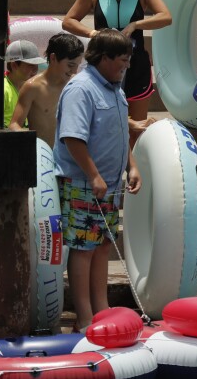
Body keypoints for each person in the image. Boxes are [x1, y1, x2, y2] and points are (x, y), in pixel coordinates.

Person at [53, 29, 141, 331]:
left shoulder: (115, 86)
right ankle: (85, 315)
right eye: (122, 60)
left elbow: (119, 131)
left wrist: (132, 165)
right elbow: (72, 138)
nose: (126, 66)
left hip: (110, 184)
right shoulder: (81, 89)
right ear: (103, 58)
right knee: (83, 247)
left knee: (102, 244)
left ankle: (101, 308)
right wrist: (93, 174)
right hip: (83, 182)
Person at [62, 0, 172, 143]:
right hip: (102, 65)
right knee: (104, 123)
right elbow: (68, 21)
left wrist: (136, 25)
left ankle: (133, 171)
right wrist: (91, 33)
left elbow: (166, 17)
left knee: (136, 129)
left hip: (136, 65)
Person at [9, 33, 84, 146]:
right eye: (70, 65)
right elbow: (14, 124)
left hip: (69, 157)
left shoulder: (75, 84)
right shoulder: (33, 87)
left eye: (77, 65)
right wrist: (32, 144)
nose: (74, 71)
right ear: (53, 58)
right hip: (44, 155)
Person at [0, 39, 44, 127]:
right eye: (30, 65)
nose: (35, 70)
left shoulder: (32, 88)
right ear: (14, 65)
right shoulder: (1, 92)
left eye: (36, 65)